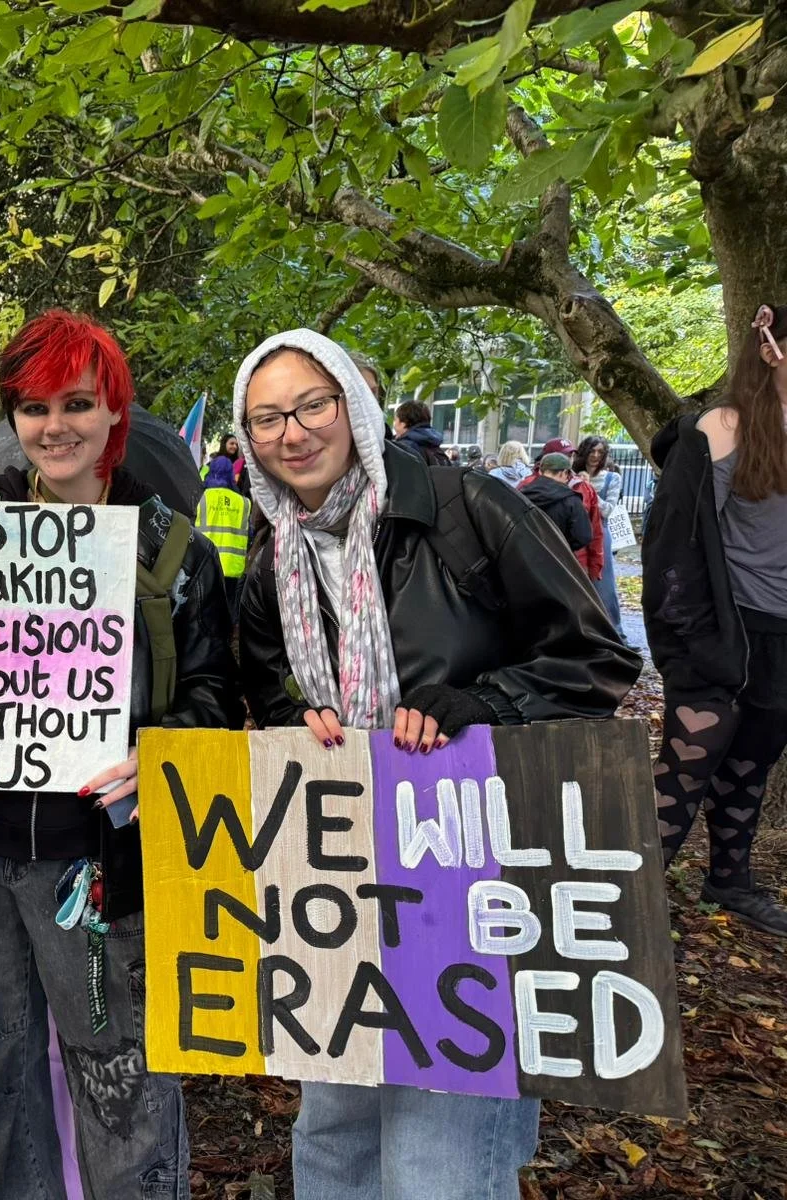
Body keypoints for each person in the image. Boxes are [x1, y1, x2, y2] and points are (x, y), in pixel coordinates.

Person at [234, 328, 639, 1200]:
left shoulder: (468, 510)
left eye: (312, 404)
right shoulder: (272, 556)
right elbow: (270, 694)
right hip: (339, 882)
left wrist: (483, 705)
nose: (292, 434)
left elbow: (597, 658)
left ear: (355, 406)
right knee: (333, 1135)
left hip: (470, 873)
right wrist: (295, 720)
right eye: (266, 419)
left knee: (437, 1167)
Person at [0, 309, 242, 1200]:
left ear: (114, 412)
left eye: (76, 402)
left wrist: (165, 755)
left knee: (125, 1091)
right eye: (32, 407)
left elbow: (218, 696)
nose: (54, 426)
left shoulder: (171, 548)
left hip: (109, 872)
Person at [645, 302, 787, 935]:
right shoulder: (724, 428)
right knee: (684, 771)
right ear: (770, 349)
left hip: (782, 640)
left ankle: (728, 881)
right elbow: (674, 545)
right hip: (722, 636)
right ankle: (623, 894)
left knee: (749, 768)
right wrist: (691, 643)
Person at [575, 436, 628, 638]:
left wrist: (587, 488)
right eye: (592, 451)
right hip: (576, 530)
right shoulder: (571, 474)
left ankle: (616, 633)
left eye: (600, 452)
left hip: (600, 531)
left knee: (604, 583)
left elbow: (607, 510)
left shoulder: (612, 478)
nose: (595, 456)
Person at [196, 453, 252, 618]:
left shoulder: (200, 497)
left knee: (205, 613)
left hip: (204, 565)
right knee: (227, 614)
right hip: (232, 568)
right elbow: (249, 533)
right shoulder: (243, 502)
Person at [519, 452, 593, 552]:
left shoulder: (520, 494)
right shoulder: (572, 500)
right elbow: (583, 536)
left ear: (540, 471)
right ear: (563, 473)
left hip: (523, 557)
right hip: (557, 560)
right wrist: (561, 548)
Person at [391, 400, 444, 466]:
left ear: (403, 423)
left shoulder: (403, 448)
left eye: (395, 420)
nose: (394, 424)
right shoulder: (434, 444)